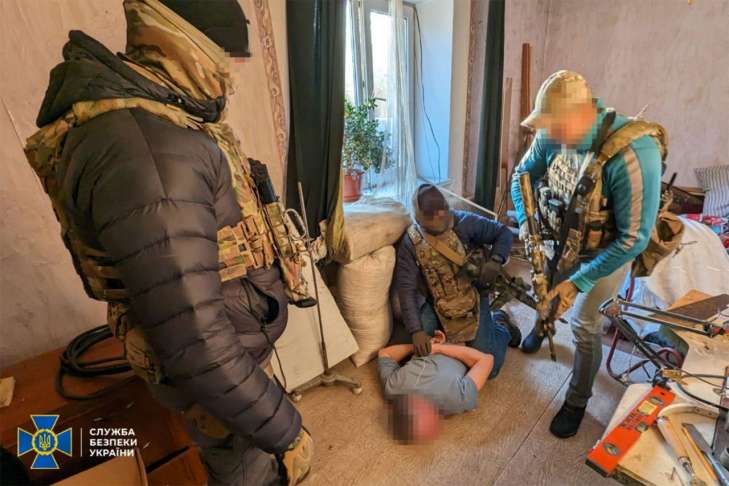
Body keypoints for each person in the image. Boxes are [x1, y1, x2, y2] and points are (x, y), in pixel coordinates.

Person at [24, 0, 312, 484]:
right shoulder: (147, 149)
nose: (232, 77)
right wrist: (285, 429)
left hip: (231, 366)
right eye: (227, 58)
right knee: (248, 475)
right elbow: (194, 338)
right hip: (218, 378)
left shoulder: (157, 125)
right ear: (190, 47)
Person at [511, 70, 666, 438]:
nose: (549, 136)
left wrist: (577, 283)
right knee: (544, 288)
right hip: (560, 237)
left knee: (583, 323)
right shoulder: (552, 134)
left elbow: (633, 239)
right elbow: (522, 177)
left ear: (583, 114)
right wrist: (526, 225)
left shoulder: (634, 154)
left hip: (606, 252)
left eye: (556, 128)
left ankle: (577, 400)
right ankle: (542, 325)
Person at [395, 184, 521, 379]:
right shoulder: (411, 243)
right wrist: (416, 330)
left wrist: (496, 260)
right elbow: (406, 289)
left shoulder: (465, 222)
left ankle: (501, 323)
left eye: (443, 213)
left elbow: (502, 232)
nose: (440, 219)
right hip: (437, 303)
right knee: (413, 354)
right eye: (433, 219)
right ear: (419, 219)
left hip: (473, 297)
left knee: (490, 368)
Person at [378, 330, 495, 442]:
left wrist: (422, 346)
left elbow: (385, 353)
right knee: (493, 368)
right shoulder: (459, 400)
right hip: (467, 345)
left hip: (432, 337)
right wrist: (439, 348)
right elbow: (486, 359)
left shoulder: (393, 388)